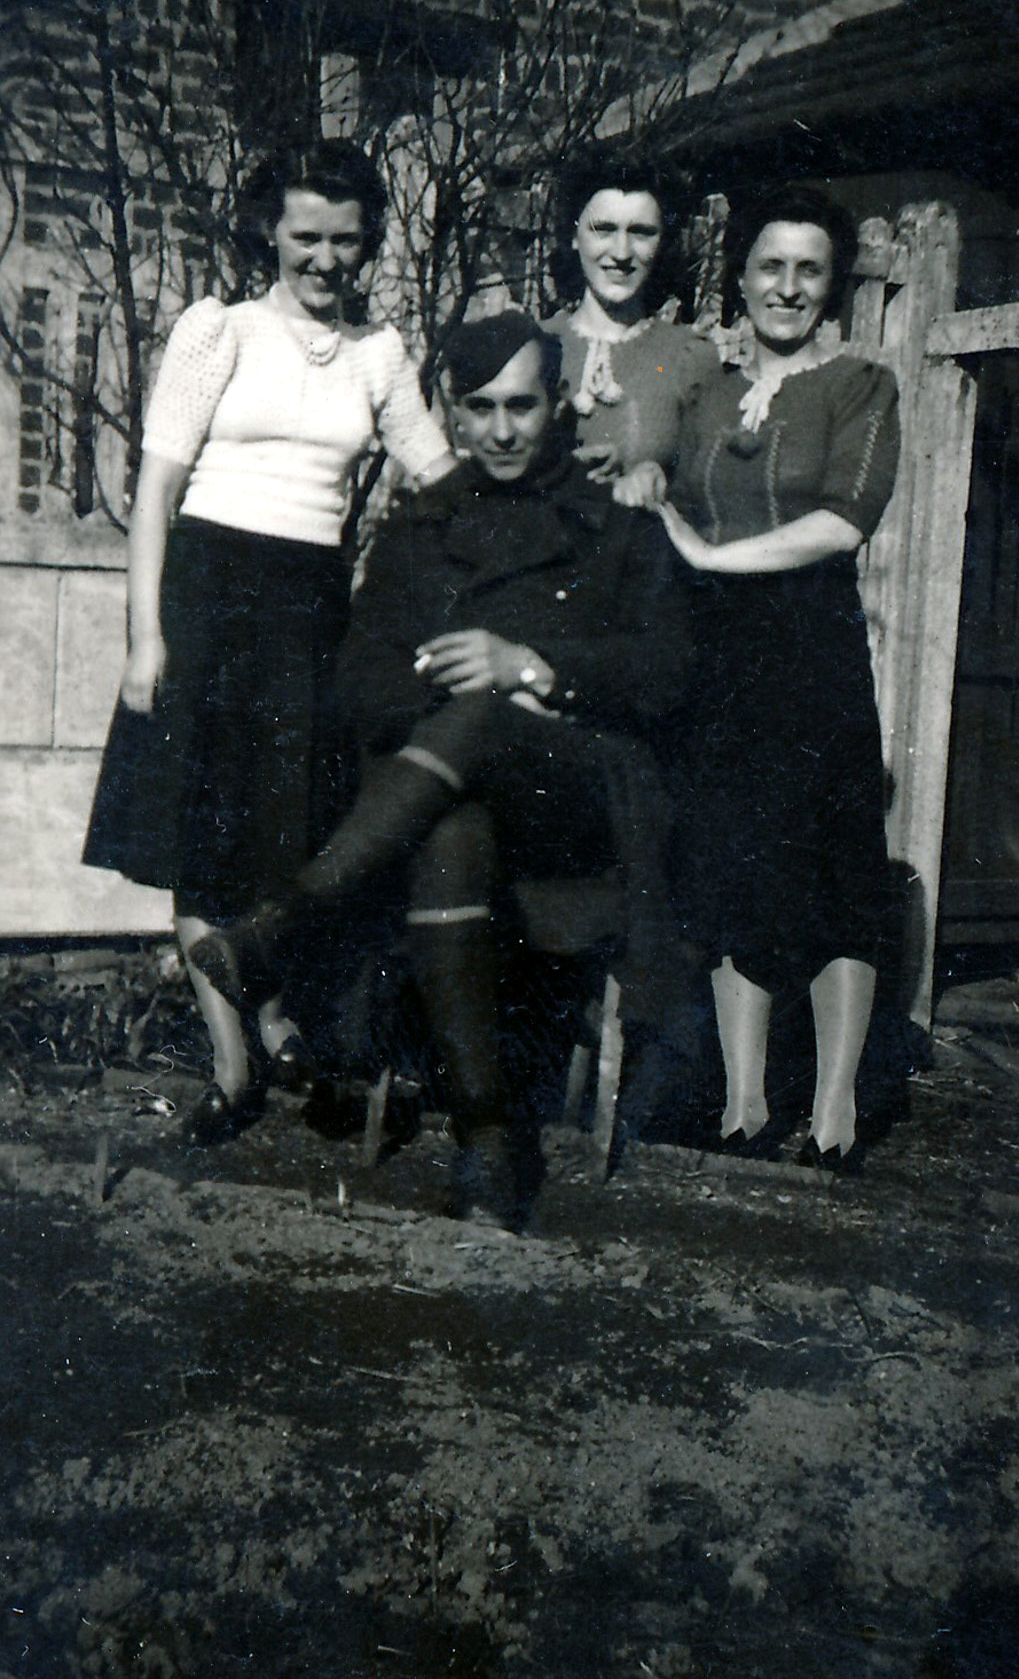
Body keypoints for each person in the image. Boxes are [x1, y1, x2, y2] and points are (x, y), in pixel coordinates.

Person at [187, 312, 692, 1219]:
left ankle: (288, 924)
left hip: (578, 802)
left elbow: (668, 672)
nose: (501, 431)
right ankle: (486, 1146)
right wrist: (445, 689)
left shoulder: (614, 523)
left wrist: (531, 668)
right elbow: (358, 680)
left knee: (487, 712)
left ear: (559, 404)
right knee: (452, 830)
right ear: (451, 413)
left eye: (521, 407)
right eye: (480, 409)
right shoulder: (420, 532)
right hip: (445, 802)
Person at [83, 139, 453, 1143]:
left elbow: (440, 480)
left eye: (346, 240)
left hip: (308, 615)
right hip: (207, 600)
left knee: (288, 842)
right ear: (270, 234)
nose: (326, 259)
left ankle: (280, 1022)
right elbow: (156, 492)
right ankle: (233, 1065)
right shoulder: (221, 331)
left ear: (368, 241)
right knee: (199, 843)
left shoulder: (379, 353)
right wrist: (145, 638)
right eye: (306, 237)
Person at [649, 185, 901, 1172]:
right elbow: (656, 480)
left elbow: (845, 519)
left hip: (810, 648)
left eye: (808, 269)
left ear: (831, 284)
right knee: (729, 858)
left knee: (833, 868)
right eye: (769, 266)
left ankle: (834, 1111)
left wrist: (711, 558)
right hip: (715, 653)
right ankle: (743, 1102)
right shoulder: (706, 388)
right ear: (741, 275)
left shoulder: (860, 384)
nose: (787, 287)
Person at [543, 154, 719, 489]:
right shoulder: (535, 344)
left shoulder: (690, 357)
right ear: (574, 235)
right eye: (604, 230)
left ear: (662, 242)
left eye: (641, 233)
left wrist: (656, 480)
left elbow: (705, 491)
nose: (622, 252)